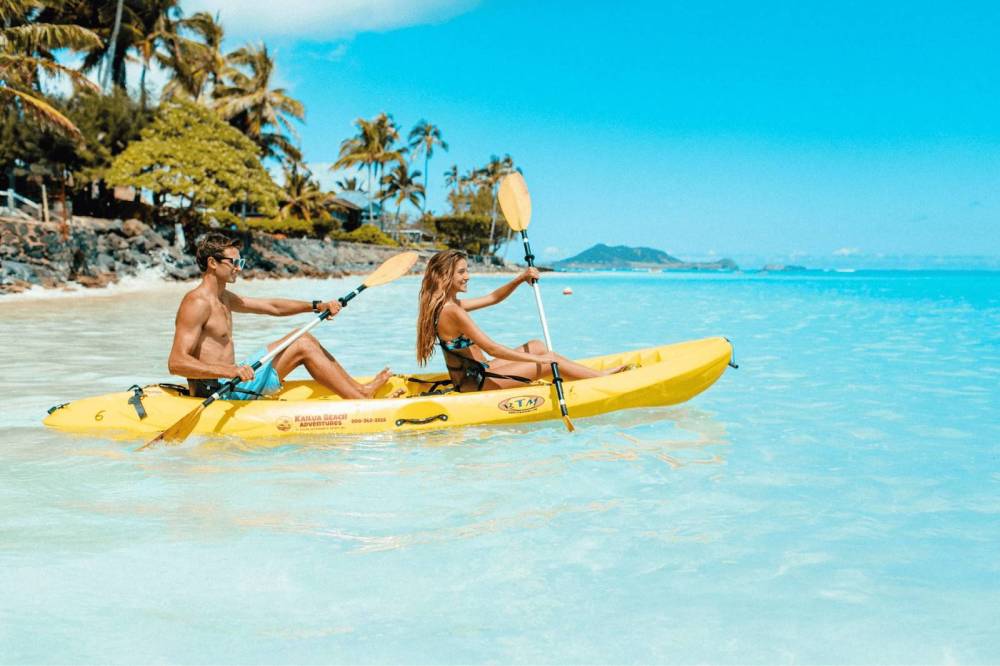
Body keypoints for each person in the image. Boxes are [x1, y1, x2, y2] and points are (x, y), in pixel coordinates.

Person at [167, 232, 391, 400]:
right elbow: (177, 362)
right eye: (234, 263)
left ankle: (361, 390)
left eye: (240, 262)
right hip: (218, 390)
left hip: (233, 378)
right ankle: (361, 402)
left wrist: (315, 306)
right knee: (303, 344)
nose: (239, 268)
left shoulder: (223, 296)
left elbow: (272, 306)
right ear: (213, 263)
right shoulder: (196, 302)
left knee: (303, 339)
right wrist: (230, 370)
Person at [415, 249, 624, 392]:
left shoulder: (448, 305)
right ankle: (603, 381)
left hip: (480, 372)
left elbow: (493, 298)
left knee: (536, 345)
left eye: (467, 270)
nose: (468, 276)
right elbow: (493, 349)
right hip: (477, 383)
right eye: (461, 272)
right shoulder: (452, 311)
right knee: (550, 361)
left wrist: (520, 278)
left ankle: (593, 375)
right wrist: (538, 361)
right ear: (444, 275)